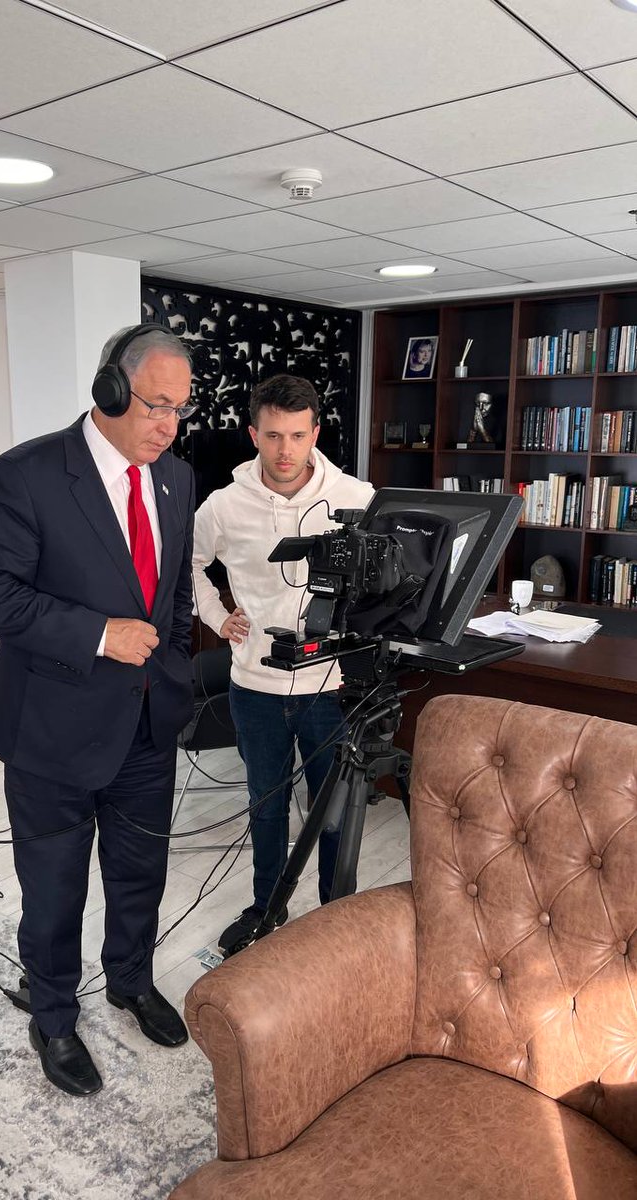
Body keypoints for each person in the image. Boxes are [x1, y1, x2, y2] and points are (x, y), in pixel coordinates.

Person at [0, 324, 197, 1097]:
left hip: (146, 725)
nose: (168, 426)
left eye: (180, 409)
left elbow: (173, 595)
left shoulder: (176, 478)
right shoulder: (28, 473)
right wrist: (100, 634)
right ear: (110, 390)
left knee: (140, 873)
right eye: (156, 405)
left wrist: (172, 667)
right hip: (51, 730)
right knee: (55, 888)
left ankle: (129, 981)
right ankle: (54, 1016)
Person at [191, 374, 374, 951]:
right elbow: (187, 565)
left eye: (297, 436)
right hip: (255, 686)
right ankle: (266, 909)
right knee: (266, 808)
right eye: (272, 436)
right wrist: (216, 616)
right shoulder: (223, 505)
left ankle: (334, 918)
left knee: (334, 812)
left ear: (315, 432)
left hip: (331, 686)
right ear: (254, 435)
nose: (285, 450)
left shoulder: (357, 497)